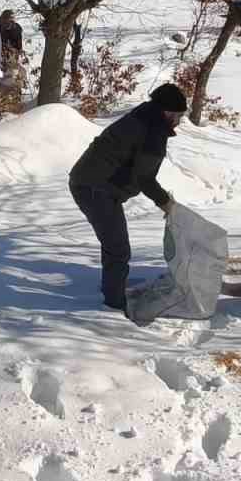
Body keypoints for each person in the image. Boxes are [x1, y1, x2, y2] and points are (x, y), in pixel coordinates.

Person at [68, 83, 188, 311]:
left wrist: (165, 202)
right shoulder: (152, 130)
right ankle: (113, 306)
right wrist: (166, 204)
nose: (180, 121)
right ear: (167, 112)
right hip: (95, 189)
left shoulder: (144, 117)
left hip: (95, 185)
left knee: (115, 245)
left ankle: (112, 293)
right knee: (118, 248)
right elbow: (144, 178)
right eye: (179, 115)